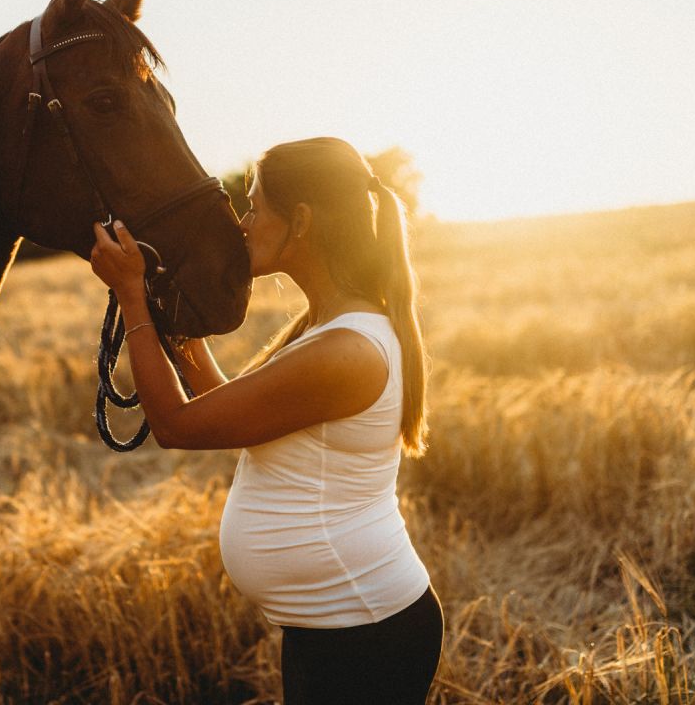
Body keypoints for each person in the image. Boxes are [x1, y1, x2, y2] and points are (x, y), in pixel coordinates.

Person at [89, 136, 442, 704]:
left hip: (365, 632)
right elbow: (240, 416)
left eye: (254, 206)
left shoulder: (344, 349)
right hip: (334, 624)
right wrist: (176, 334)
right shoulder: (331, 324)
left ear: (301, 221)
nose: (244, 224)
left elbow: (179, 426)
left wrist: (131, 296)